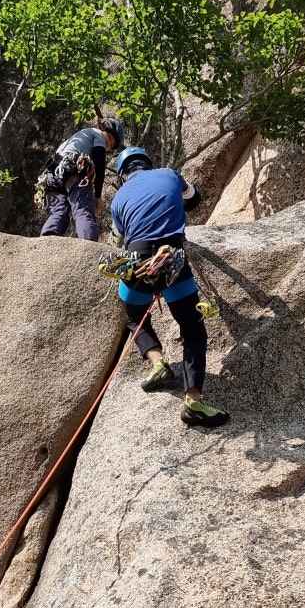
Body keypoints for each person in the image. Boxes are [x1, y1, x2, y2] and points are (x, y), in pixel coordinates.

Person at [109, 147, 230, 429]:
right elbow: (193, 198)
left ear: (123, 175)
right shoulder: (169, 174)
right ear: (147, 165)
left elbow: (126, 234)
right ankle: (194, 402)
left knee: (135, 316)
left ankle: (158, 363)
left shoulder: (118, 199)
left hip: (138, 261)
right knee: (192, 327)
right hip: (173, 258)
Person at [39, 117, 124, 242]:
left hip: (51, 175)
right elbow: (99, 166)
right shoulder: (97, 134)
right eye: (110, 139)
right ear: (104, 128)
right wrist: (98, 196)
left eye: (111, 146)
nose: (108, 146)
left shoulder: (77, 137)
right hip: (73, 171)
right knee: (83, 211)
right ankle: (89, 249)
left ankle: (45, 243)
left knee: (59, 212)